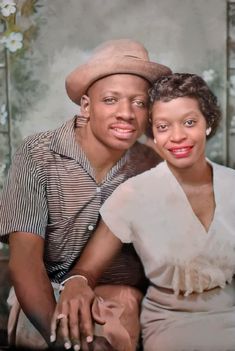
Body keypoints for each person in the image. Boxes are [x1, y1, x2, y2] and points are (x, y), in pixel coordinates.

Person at [0, 39, 171, 350]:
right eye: (110, 100)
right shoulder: (38, 155)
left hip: (122, 298)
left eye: (139, 102)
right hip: (44, 295)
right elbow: (24, 263)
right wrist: (62, 339)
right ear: (86, 105)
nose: (126, 113)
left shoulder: (151, 165)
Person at [54, 73, 235, 351]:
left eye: (189, 122)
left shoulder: (232, 185)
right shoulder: (134, 194)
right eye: (163, 126)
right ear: (153, 133)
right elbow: (87, 268)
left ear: (207, 123)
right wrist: (76, 284)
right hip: (169, 322)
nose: (177, 137)